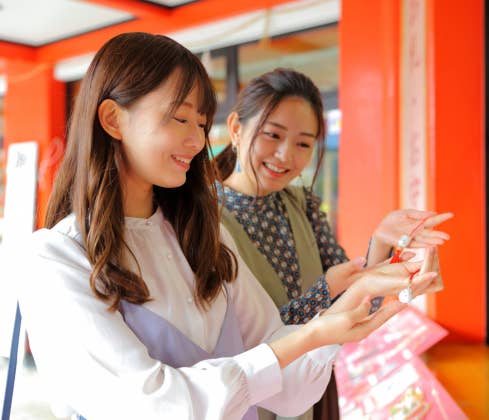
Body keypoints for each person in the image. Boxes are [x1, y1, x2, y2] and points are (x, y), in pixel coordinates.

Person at [15, 33, 439, 420]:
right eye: (180, 120)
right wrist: (312, 331)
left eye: (201, 124)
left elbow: (288, 384)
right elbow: (151, 404)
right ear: (112, 119)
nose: (197, 141)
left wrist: (361, 294)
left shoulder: (202, 233)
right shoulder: (56, 258)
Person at [214, 68, 453, 419]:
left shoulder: (304, 205)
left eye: (303, 143)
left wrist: (384, 240)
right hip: (246, 400)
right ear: (236, 128)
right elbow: (240, 338)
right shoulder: (202, 218)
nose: (285, 155)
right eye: (273, 135)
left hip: (313, 389)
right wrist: (326, 293)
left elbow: (357, 306)